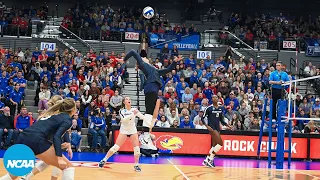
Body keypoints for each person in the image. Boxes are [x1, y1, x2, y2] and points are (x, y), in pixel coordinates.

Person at [0, 98, 76, 180]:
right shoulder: (67, 119)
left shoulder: (53, 115)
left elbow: (50, 136)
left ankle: (26, 177)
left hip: (23, 137)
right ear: (73, 109)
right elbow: (57, 136)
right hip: (36, 140)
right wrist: (59, 157)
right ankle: (27, 176)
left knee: (14, 175)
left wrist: (62, 146)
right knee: (68, 167)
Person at [123, 49, 182, 130]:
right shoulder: (150, 68)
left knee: (151, 110)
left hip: (152, 90)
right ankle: (146, 128)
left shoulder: (153, 69)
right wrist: (124, 60)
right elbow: (133, 51)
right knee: (150, 111)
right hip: (151, 90)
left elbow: (168, 69)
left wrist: (175, 62)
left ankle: (147, 127)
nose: (146, 59)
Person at [98, 97, 160, 172]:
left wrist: (151, 120)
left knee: (137, 148)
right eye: (127, 99)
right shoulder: (122, 111)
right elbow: (124, 120)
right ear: (124, 102)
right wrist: (132, 114)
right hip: (124, 130)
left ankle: (136, 165)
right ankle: (104, 160)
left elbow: (143, 117)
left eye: (129, 99)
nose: (129, 100)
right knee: (116, 147)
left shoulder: (134, 110)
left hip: (132, 130)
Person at [20, 95, 74, 180]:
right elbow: (60, 134)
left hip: (34, 137)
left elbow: (64, 131)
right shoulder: (59, 115)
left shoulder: (49, 113)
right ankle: (27, 176)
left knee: (49, 161)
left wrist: (67, 144)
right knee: (61, 162)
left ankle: (26, 176)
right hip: (42, 139)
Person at [202, 95, 232, 168]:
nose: (214, 98)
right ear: (211, 99)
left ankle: (206, 160)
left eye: (216, 97)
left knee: (214, 145)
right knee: (220, 144)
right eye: (213, 97)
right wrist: (207, 126)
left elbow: (221, 120)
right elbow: (202, 118)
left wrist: (228, 126)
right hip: (212, 128)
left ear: (218, 99)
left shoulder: (220, 108)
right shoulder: (208, 108)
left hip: (218, 128)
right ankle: (211, 159)